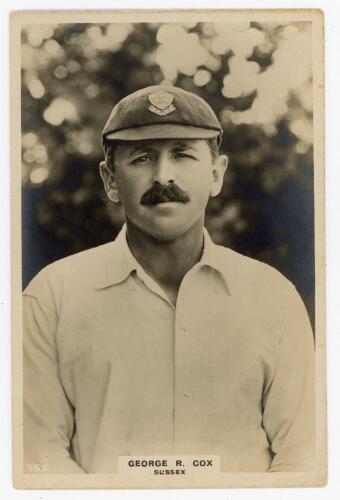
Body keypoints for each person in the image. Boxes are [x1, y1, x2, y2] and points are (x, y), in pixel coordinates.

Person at [23, 85, 315, 474]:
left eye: (182, 154)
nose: (163, 176)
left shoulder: (272, 296)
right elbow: (38, 457)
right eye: (142, 158)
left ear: (215, 173)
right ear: (110, 180)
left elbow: (304, 459)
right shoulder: (53, 296)